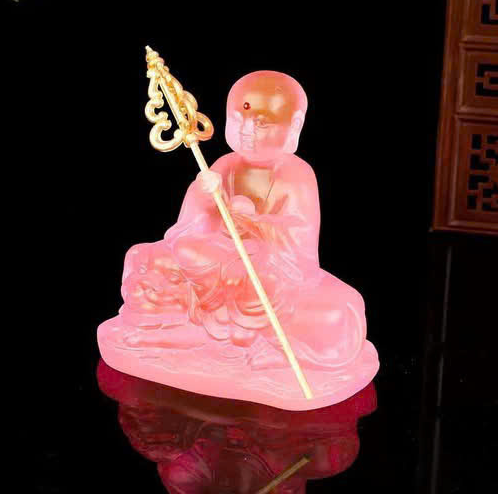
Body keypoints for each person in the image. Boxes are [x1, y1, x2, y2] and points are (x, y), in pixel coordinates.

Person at [119, 70, 366, 371]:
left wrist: (249, 221)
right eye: (239, 120)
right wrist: (206, 198)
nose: (248, 131)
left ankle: (237, 332)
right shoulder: (225, 165)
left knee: (329, 312)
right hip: (217, 260)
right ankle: (211, 325)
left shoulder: (297, 175)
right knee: (146, 256)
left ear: (294, 126)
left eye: (262, 123)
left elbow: (297, 241)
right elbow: (188, 230)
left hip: (266, 271)